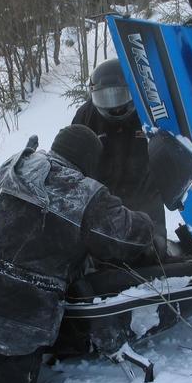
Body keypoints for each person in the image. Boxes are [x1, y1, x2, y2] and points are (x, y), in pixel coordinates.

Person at [0, 125, 154, 383]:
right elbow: (129, 237)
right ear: (90, 161)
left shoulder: (20, 166)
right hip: (8, 330)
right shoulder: (84, 194)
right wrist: (147, 219)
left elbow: (7, 170)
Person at [73, 58, 168, 257]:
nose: (114, 106)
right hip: (103, 201)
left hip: (147, 196)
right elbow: (73, 155)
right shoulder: (86, 116)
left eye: (119, 95)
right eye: (105, 98)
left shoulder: (150, 111)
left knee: (153, 253)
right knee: (102, 257)